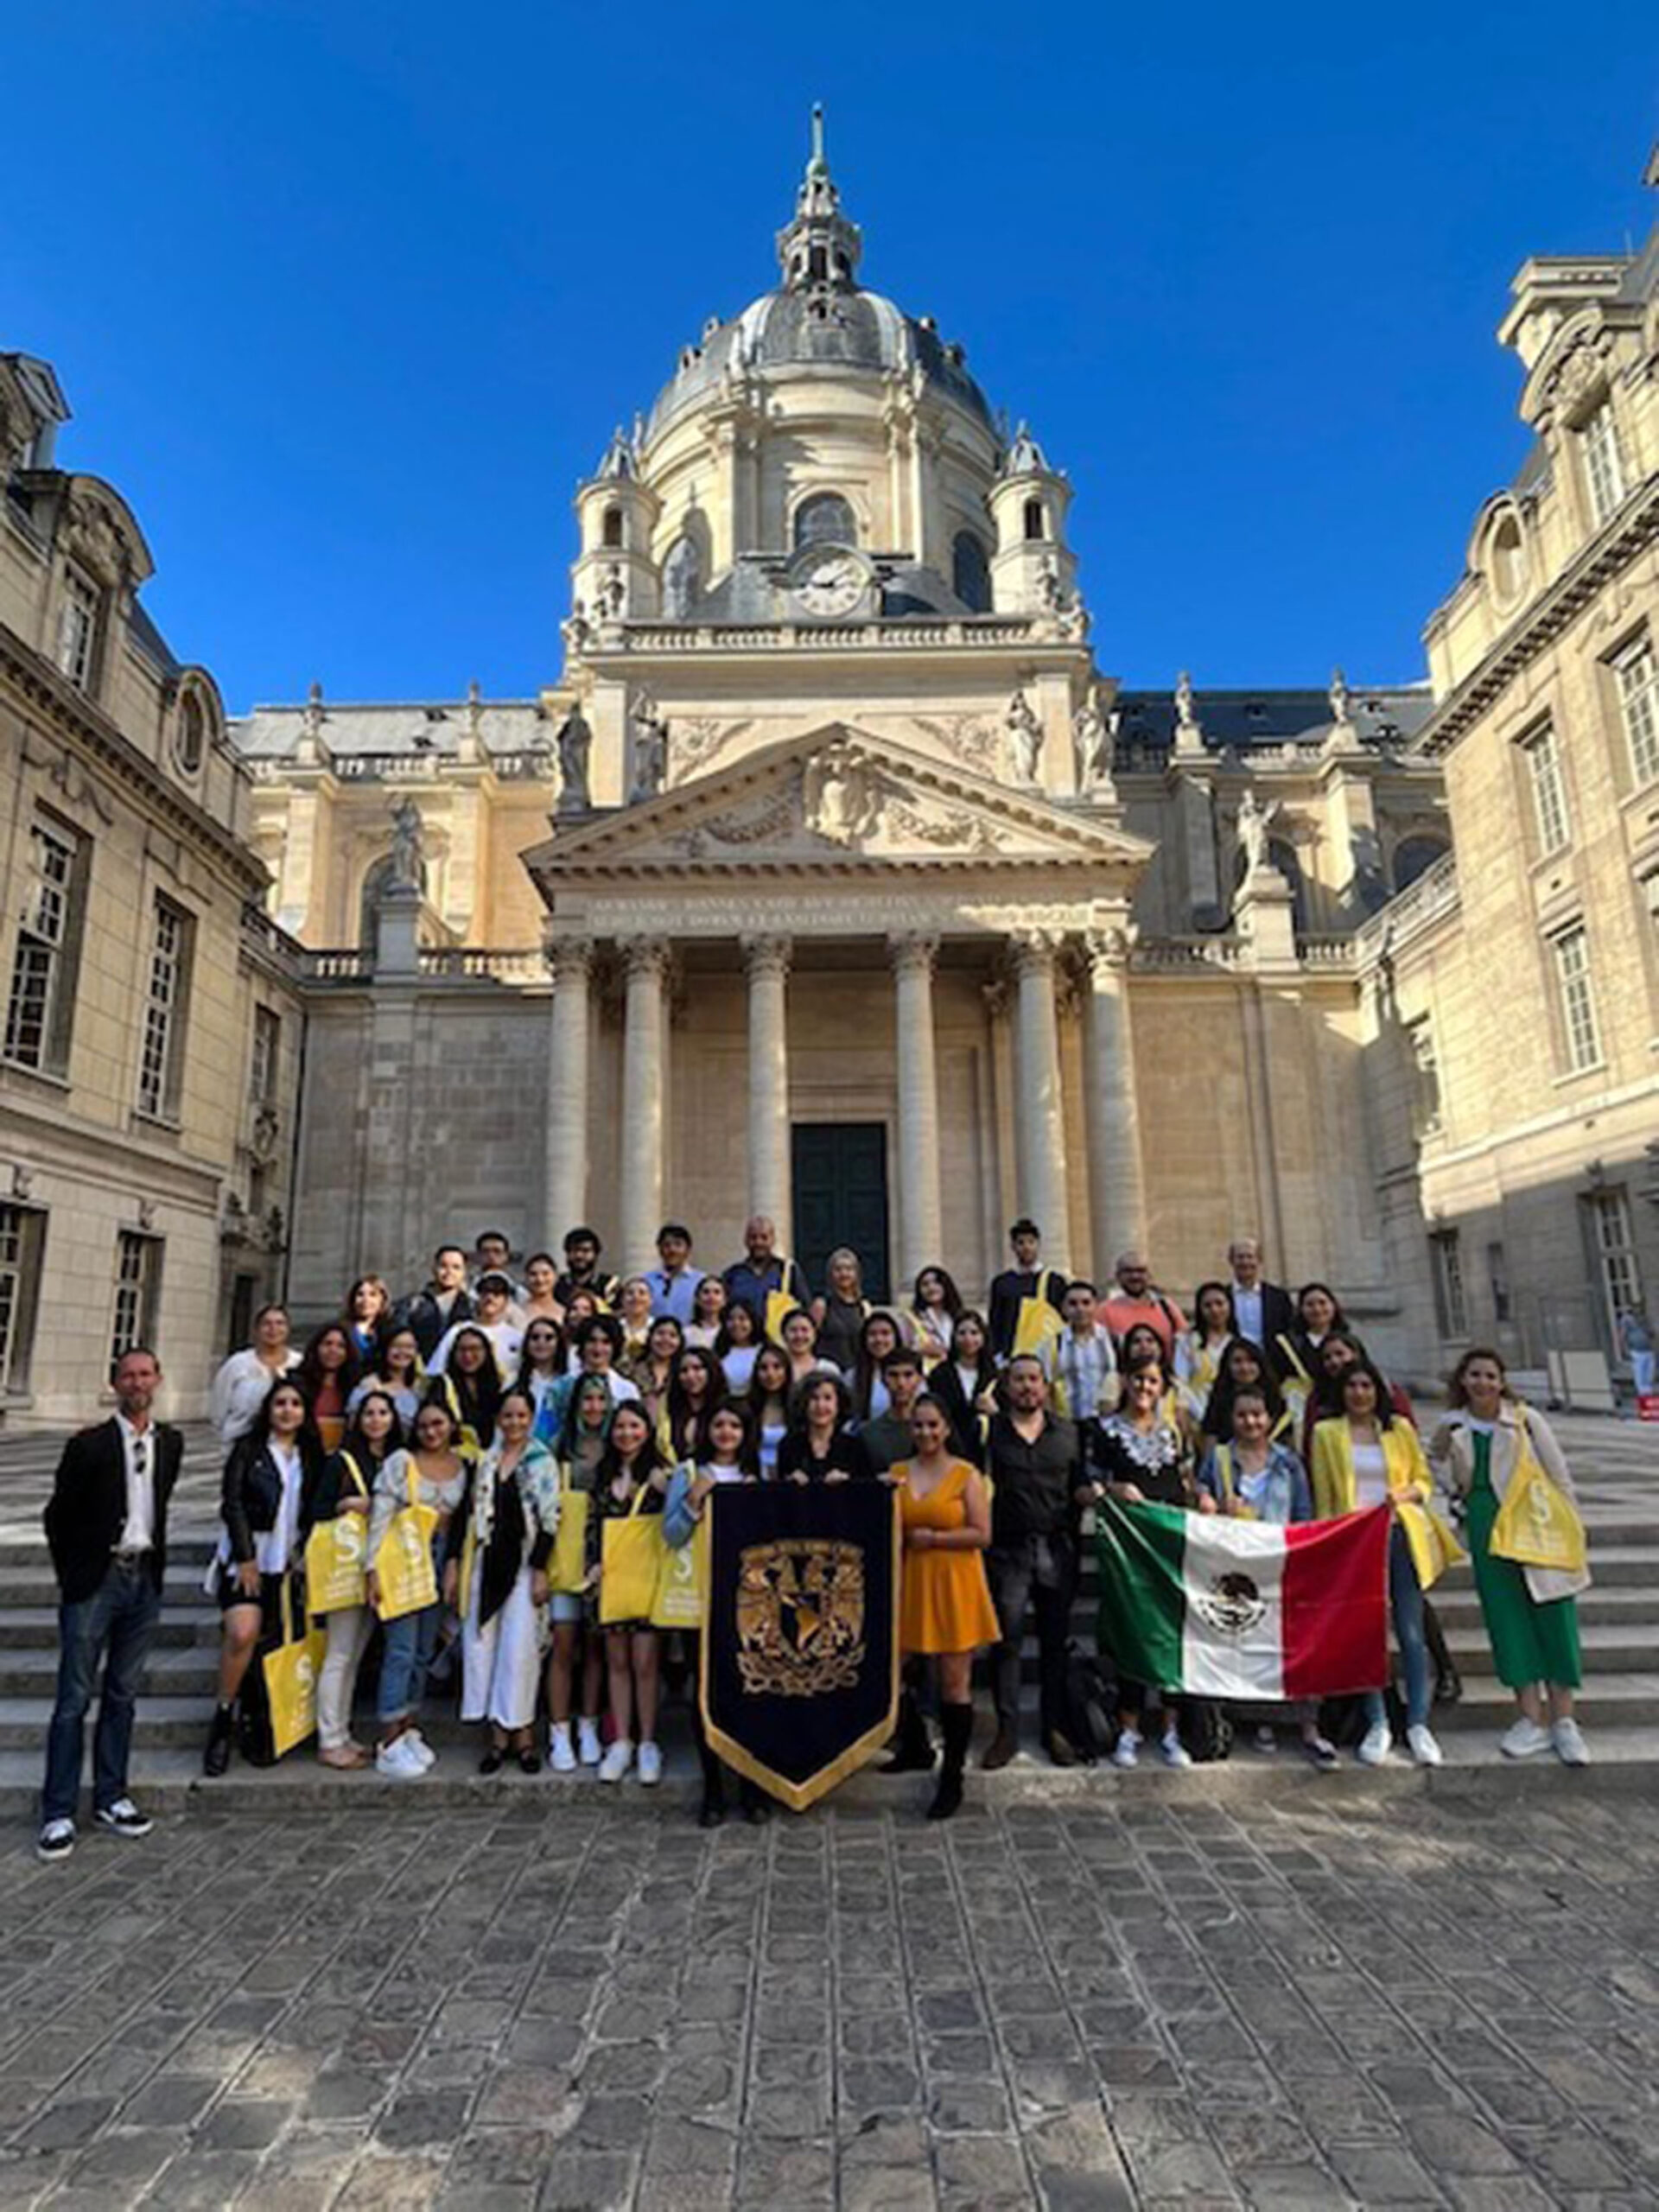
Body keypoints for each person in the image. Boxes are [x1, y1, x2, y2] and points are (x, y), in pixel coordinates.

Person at [38, 1347, 182, 1861]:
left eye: (146, 1374)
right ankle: (57, 1810)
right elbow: (57, 1517)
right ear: (115, 1383)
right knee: (73, 1699)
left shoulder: (171, 1442)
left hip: (144, 1578)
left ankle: (111, 1796)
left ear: (158, 1380)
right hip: (97, 1581)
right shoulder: (89, 1446)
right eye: (129, 1375)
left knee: (122, 1694)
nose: (138, 1383)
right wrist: (74, 1577)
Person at [1430, 1351, 1590, 1765]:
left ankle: (1564, 1720)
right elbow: (1433, 1463)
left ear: (1502, 1382)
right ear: (1462, 1380)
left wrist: (1572, 1528)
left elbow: (1559, 1474)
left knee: (1554, 1614)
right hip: (1487, 1523)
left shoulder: (1526, 1420)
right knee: (1507, 1618)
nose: (1482, 1382)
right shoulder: (1452, 1425)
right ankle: (1530, 1718)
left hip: (1536, 1522)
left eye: (1490, 1375)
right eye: (1474, 1375)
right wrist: (1455, 1498)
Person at [1196, 1385, 1338, 1770]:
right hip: (1236, 1564)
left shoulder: (1288, 1461)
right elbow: (1200, 1491)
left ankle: (1308, 1725)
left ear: (1270, 1419)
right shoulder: (1219, 1456)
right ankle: (1260, 1721)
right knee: (1246, 1641)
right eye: (1243, 1415)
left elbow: (1304, 1510)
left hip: (1280, 1559)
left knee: (1292, 1639)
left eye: (1257, 1414)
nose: (1251, 1422)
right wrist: (1208, 1500)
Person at [1311, 1361, 1442, 1768]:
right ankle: (1379, 1720)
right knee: (1366, 1632)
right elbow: (1324, 1495)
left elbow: (1425, 1481)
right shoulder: (1325, 1433)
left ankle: (1418, 1723)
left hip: (1399, 1531)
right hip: (1355, 1540)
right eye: (1352, 1385)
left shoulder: (1398, 1429)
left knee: (1410, 1629)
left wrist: (1404, 1495)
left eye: (1367, 1385)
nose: (1360, 1393)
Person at [203, 1376, 326, 1777]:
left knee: (271, 1644)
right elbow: (233, 1502)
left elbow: (314, 1508)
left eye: (295, 1404)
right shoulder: (249, 1450)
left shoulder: (311, 1454)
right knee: (242, 1633)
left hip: (287, 1564)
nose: (287, 1410)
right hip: (249, 1559)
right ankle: (223, 1716)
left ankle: (261, 1721)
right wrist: (245, 1557)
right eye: (280, 1404)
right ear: (268, 1411)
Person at [1089, 1356, 1204, 1770]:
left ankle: (1172, 1729)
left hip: (1171, 1542)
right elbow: (1089, 1484)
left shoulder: (1175, 1432)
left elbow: (1189, 1478)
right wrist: (1113, 1488)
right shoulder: (1105, 1431)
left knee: (1172, 1633)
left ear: (1163, 1387)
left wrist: (1202, 1496)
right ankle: (1129, 1726)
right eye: (1138, 1379)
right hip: (1128, 1548)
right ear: (1125, 1381)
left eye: (1153, 1381)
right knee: (1132, 1633)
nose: (1144, 1387)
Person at [892, 1394, 1000, 1820]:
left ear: (947, 1428)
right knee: (895, 1668)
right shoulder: (898, 1474)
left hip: (955, 1580)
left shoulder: (965, 1474)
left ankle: (952, 1776)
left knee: (955, 1682)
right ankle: (915, 1744)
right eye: (918, 1425)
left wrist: (935, 1539)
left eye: (932, 1425)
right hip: (912, 1579)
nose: (925, 1433)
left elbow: (982, 1533)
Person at [663, 1400, 768, 1826]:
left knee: (751, 1693)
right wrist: (693, 1500)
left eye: (735, 1426)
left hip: (746, 1603)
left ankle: (751, 1785)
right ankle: (713, 1788)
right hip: (699, 1596)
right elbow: (669, 1534)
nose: (726, 1432)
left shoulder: (756, 1476)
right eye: (719, 1424)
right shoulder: (689, 1473)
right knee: (704, 1693)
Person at [449, 1388, 559, 1774]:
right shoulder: (485, 1462)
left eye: (521, 1416)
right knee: (484, 1650)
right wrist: (453, 1564)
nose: (514, 1423)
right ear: (499, 1420)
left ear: (531, 1419)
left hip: (525, 1564)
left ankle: (523, 1736)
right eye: (508, 1416)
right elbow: (467, 1513)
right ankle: (497, 1736)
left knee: (521, 1651)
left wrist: (542, 1570)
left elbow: (550, 1519)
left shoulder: (542, 1461)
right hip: (484, 1562)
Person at [982, 1355, 1079, 1769]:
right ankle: (1007, 1732)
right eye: (1019, 1380)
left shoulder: (1069, 1434)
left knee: (1055, 1645)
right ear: (1006, 1387)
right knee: (1007, 1644)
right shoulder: (989, 1433)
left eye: (1034, 1379)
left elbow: (1079, 1486)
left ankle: (1053, 1729)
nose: (1027, 1387)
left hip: (1056, 1550)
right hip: (1008, 1551)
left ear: (1045, 1386)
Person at [366, 1396, 469, 1777]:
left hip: (441, 1559)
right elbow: (381, 1514)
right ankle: (389, 1738)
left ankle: (409, 1726)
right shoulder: (401, 1463)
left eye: (439, 1423)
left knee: (425, 1649)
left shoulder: (463, 1465)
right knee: (401, 1648)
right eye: (425, 1425)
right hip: (405, 1555)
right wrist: (371, 1566)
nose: (431, 1432)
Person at [305, 1389, 398, 1769]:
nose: (376, 1420)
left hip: (380, 1566)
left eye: (383, 1412)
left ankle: (342, 1731)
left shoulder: (394, 1461)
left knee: (356, 1653)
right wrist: (346, 1504)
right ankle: (329, 1737)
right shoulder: (342, 1461)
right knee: (340, 1653)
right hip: (347, 1565)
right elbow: (317, 1509)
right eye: (369, 1413)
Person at [589, 1403, 669, 1785]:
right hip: (611, 1577)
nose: (627, 1434)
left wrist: (666, 1489)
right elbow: (591, 1523)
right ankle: (621, 1739)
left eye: (634, 1426)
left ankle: (649, 1741)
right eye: (620, 1426)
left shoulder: (660, 1474)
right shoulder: (602, 1475)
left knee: (645, 1663)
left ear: (647, 1430)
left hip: (647, 1578)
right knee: (616, 1662)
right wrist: (592, 1564)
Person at [546, 1374, 612, 1773]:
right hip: (566, 1555)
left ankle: (588, 1724)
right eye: (587, 1400)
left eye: (600, 1400)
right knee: (563, 1645)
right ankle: (559, 1728)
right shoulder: (557, 1449)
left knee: (595, 1648)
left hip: (607, 1557)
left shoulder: (618, 1444)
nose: (594, 1407)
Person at [209, 1303, 301, 1446]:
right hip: (239, 1446)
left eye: (280, 1323)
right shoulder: (236, 1364)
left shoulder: (299, 1363)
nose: (273, 1329)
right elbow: (218, 1411)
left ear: (288, 1329)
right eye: (267, 1324)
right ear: (256, 1330)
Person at [988, 1218, 1068, 1363]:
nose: (1026, 1247)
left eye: (1031, 1242)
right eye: (1021, 1243)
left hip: (1047, 1354)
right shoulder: (1002, 1283)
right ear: (1013, 1246)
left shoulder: (1055, 1281)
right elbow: (996, 1322)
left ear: (1038, 1245)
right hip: (1011, 1355)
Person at [1051, 1280, 1120, 1443]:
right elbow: (1047, 1385)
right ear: (1064, 1308)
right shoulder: (1053, 1344)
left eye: (1086, 1303)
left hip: (1108, 1423)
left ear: (1096, 1306)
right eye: (1073, 1304)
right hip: (1068, 1425)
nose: (1080, 1309)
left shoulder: (1112, 1340)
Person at [931, 1311, 1000, 1468]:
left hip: (986, 1454)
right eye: (962, 1333)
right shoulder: (940, 1374)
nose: (968, 1339)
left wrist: (994, 1411)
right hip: (949, 1450)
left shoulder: (995, 1374)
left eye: (974, 1333)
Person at [778, 1372, 874, 1484]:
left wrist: (848, 1482)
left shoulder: (854, 1447)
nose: (820, 1405)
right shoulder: (789, 1446)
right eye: (814, 1398)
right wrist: (791, 1483)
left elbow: (867, 1491)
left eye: (828, 1398)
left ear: (839, 1404)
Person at [722, 1214, 809, 1328]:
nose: (758, 1243)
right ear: (746, 1240)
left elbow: (804, 1306)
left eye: (764, 1237)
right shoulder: (733, 1274)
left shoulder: (787, 1270)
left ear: (773, 1240)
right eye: (753, 1238)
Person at [1224, 1238, 1295, 1376]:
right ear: (1231, 1261)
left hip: (1273, 1368)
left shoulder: (1279, 1297)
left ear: (1259, 1260)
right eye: (1240, 1257)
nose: (1245, 1262)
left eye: (1250, 1257)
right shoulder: (1222, 1297)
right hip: (1234, 1368)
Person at [430, 1273, 522, 1379]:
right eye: (484, 1293)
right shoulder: (458, 1331)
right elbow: (437, 1369)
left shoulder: (517, 1338)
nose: (490, 1298)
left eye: (497, 1294)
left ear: (506, 1301)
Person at [1102, 1253, 1188, 1365]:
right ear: (1118, 1276)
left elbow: (1186, 1344)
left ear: (1149, 1276)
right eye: (1128, 1271)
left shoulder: (1167, 1308)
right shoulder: (1104, 1312)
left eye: (1140, 1271)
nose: (1135, 1276)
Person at [396, 1244, 475, 1362]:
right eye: (443, 1266)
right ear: (434, 1268)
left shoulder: (473, 1305)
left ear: (464, 1272)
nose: (449, 1272)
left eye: (456, 1267)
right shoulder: (413, 1303)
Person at [1201, 1338, 1289, 1444]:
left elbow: (1288, 1439)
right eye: (1237, 1361)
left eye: (1251, 1361)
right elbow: (1210, 1442)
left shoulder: (1275, 1399)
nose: (1244, 1368)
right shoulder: (1218, 1401)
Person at [1173, 1281, 1236, 1425]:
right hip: (1195, 1413)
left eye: (1220, 1304)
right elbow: (1180, 1382)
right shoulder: (1187, 1341)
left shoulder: (1239, 1342)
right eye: (1208, 1306)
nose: (1214, 1310)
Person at [435, 1326, 503, 1458]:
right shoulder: (443, 1384)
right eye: (462, 1350)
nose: (468, 1355)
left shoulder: (499, 1384)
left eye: (475, 1349)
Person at [346, 1325, 425, 1435]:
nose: (403, 1351)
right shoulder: (368, 1386)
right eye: (396, 1346)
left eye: (409, 1347)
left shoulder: (420, 1386)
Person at [859, 1349, 928, 1472]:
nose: (901, 1383)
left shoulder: (934, 1429)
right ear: (883, 1379)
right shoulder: (869, 1434)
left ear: (920, 1379)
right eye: (893, 1375)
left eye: (908, 1375)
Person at [298, 1322, 359, 1454]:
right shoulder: (298, 1383)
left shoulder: (354, 1388)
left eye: (340, 1346)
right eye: (328, 1344)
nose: (333, 1350)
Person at [622, 1314, 685, 1433]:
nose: (665, 1340)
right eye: (660, 1334)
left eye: (672, 1335)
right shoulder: (631, 1370)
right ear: (650, 1336)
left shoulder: (683, 1372)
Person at [811, 1248, 870, 1372]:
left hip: (857, 1371)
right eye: (838, 1269)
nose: (844, 1274)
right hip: (829, 1371)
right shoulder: (821, 1305)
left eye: (849, 1269)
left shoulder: (864, 1307)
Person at [515, 1318, 568, 1443]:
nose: (541, 1342)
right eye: (535, 1337)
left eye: (549, 1338)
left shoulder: (569, 1383)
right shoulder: (513, 1381)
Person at [643, 1223, 706, 1325]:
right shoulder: (647, 1282)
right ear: (659, 1249)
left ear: (688, 1250)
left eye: (678, 1245)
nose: (672, 1250)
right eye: (667, 1245)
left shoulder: (701, 1281)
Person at [665, 1345, 721, 1461]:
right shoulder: (669, 1410)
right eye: (684, 1371)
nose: (690, 1376)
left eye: (697, 1368)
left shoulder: (724, 1408)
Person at [747, 1343, 794, 1478]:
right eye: (763, 1368)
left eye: (777, 1367)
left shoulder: (798, 1409)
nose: (770, 1374)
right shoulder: (747, 1408)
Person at [849, 1310, 903, 1422]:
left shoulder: (911, 1374)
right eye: (872, 1334)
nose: (879, 1339)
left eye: (885, 1333)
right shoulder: (852, 1377)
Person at [554, 1226, 620, 1313]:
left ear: (595, 1254)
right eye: (574, 1250)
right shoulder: (557, 1284)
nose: (579, 1256)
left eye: (585, 1251)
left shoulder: (609, 1284)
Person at [909, 1267, 963, 1366]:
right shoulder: (912, 1317)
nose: (931, 1288)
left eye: (936, 1283)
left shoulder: (958, 1316)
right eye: (925, 1285)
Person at [779, 1306, 838, 1392]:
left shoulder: (827, 1369)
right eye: (793, 1330)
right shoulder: (775, 1369)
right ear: (784, 1335)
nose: (799, 1335)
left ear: (814, 1335)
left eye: (804, 1330)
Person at [713, 1300, 760, 1393]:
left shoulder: (763, 1350)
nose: (736, 1324)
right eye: (731, 1319)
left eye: (742, 1319)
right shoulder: (718, 1351)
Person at [342, 1275, 391, 1364]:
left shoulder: (390, 1329)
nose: (366, 1300)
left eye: (373, 1295)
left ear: (382, 1300)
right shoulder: (342, 1329)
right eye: (360, 1294)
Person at [616, 1275, 658, 1362]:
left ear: (651, 1300)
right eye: (630, 1293)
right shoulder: (615, 1327)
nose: (636, 1297)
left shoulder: (657, 1328)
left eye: (642, 1293)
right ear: (622, 1300)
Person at [1619, 1306, 1656, 1400]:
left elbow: (1652, 1334)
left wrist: (1646, 1325)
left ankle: (1648, 1394)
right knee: (1640, 1375)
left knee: (1649, 1375)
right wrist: (1625, 1350)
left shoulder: (1644, 1321)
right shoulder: (1626, 1321)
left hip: (1648, 1350)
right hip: (1637, 1351)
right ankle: (1643, 1395)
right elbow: (1622, 1336)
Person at [684, 1274, 728, 1351]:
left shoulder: (730, 1332)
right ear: (697, 1299)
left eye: (717, 1292)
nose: (711, 1297)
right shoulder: (686, 1333)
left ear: (724, 1301)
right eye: (706, 1292)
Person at [520, 1251, 564, 1327]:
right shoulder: (518, 1311)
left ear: (556, 1277)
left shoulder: (564, 1313)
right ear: (526, 1278)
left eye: (545, 1274)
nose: (540, 1279)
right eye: (533, 1274)